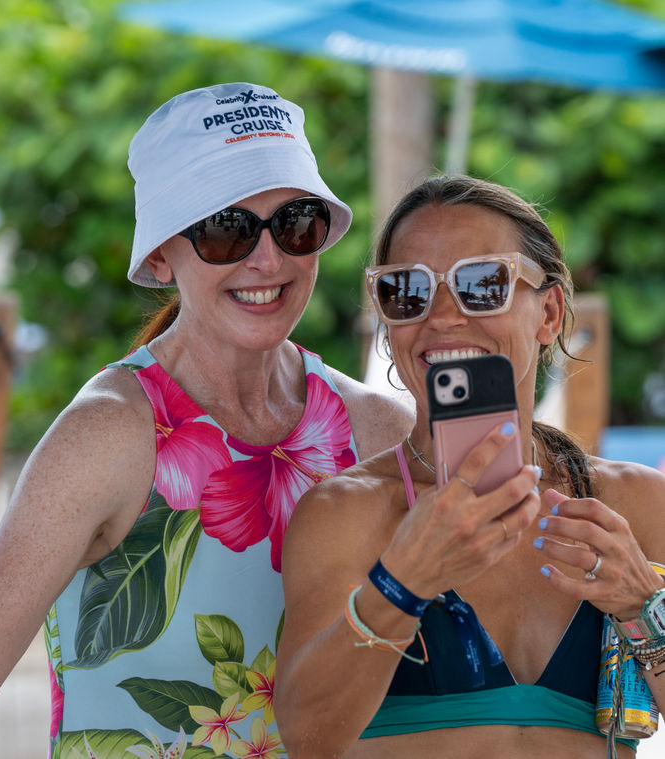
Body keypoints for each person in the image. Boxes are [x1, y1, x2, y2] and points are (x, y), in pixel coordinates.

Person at [0, 82, 413, 758]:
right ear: (160, 255)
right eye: (224, 230)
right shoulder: (110, 432)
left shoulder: (379, 428)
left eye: (295, 221)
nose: (267, 259)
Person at [274, 175, 665, 759]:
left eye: (483, 284)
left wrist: (644, 608)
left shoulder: (635, 503)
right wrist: (402, 583)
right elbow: (307, 738)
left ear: (550, 312)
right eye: (406, 292)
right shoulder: (346, 512)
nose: (444, 317)